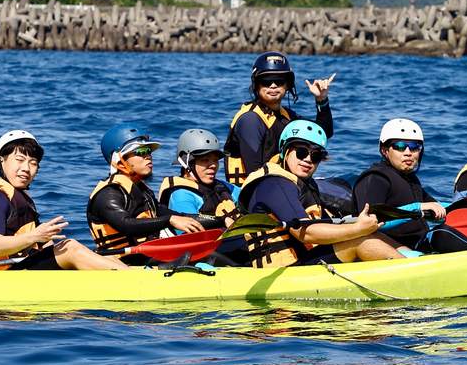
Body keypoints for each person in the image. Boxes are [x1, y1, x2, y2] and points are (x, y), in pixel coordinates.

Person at [237, 120, 404, 268]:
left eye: (315, 156)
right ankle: (411, 274)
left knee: (368, 234)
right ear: (285, 151)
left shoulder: (303, 184)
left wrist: (360, 227)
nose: (308, 159)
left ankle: (413, 260)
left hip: (305, 262)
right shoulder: (274, 184)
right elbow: (305, 233)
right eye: (301, 152)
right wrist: (358, 229)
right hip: (285, 273)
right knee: (360, 240)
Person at [0, 130, 127, 271]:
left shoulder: (18, 200)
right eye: (19, 160)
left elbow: (32, 247)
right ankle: (133, 280)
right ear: (1, 161)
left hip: (20, 269)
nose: (26, 168)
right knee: (69, 247)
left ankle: (134, 273)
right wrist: (35, 236)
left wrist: (44, 243)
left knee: (91, 253)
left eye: (33, 163)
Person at [86, 123, 205, 259]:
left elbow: (177, 216)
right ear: (119, 161)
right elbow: (126, 224)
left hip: (147, 259)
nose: (148, 156)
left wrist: (218, 220)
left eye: (149, 151)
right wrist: (169, 220)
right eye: (141, 152)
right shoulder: (108, 194)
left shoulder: (142, 191)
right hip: (120, 263)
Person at [223, 51, 335, 186]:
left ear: (288, 85)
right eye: (266, 81)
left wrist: (321, 100)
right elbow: (255, 173)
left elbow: (322, 134)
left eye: (279, 81)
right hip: (250, 195)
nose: (273, 86)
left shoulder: (286, 116)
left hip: (279, 186)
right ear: (256, 85)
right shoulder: (250, 120)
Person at [352, 118, 450, 251]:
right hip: (388, 249)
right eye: (400, 146)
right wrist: (417, 208)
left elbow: (438, 207)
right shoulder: (375, 178)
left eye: (415, 147)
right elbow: (371, 222)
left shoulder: (411, 179)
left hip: (420, 243)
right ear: (385, 150)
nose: (408, 152)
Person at [157, 128, 240, 226]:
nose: (213, 165)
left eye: (215, 160)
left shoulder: (225, 187)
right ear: (188, 163)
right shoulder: (181, 195)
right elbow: (190, 229)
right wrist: (222, 220)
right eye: (205, 160)